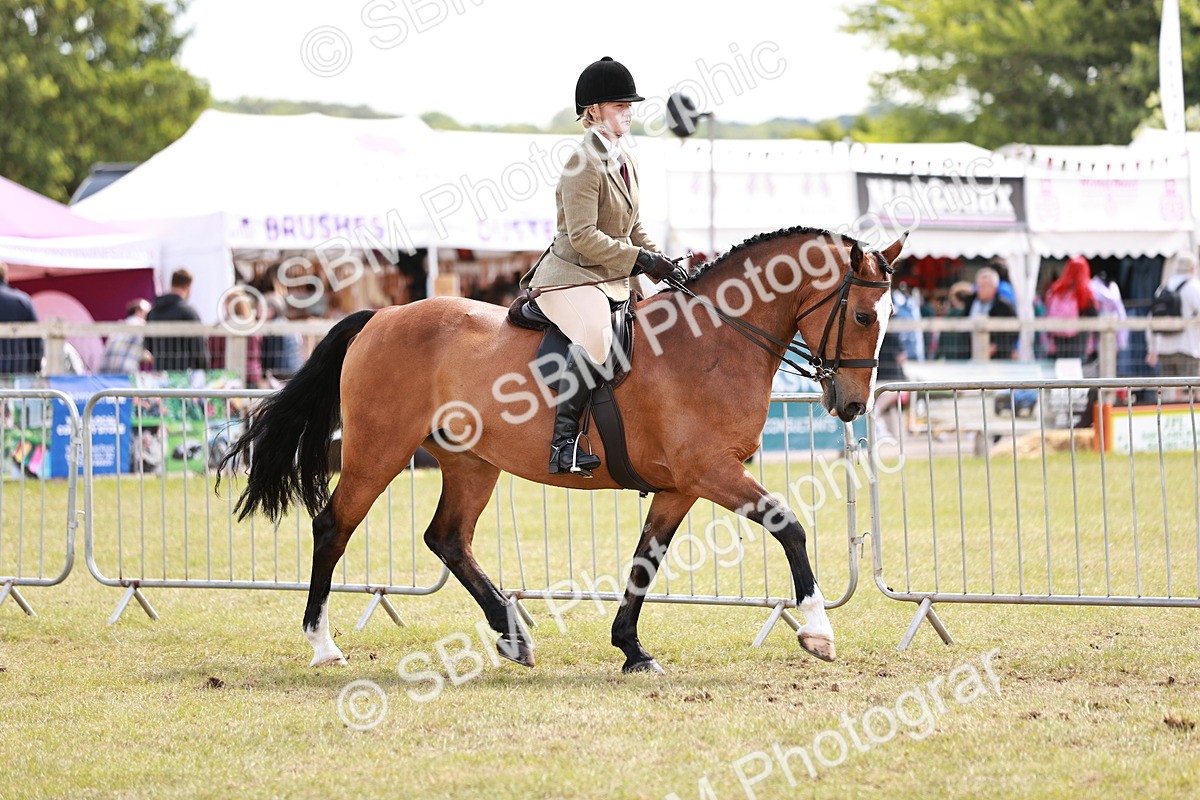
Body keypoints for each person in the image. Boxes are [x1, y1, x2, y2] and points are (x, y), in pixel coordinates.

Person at [518, 56, 680, 476]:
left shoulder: (626, 158)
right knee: (595, 336)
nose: (628, 112)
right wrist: (640, 260)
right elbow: (584, 235)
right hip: (572, 276)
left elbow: (633, 226)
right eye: (618, 105)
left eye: (630, 105)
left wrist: (663, 263)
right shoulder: (581, 162)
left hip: (612, 275)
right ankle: (564, 444)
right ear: (593, 112)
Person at [1146, 252, 1200, 400]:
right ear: (1192, 268)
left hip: (1164, 347)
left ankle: (1169, 420)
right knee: (1189, 390)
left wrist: (1152, 348)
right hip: (1188, 347)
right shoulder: (1194, 287)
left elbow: (1150, 320)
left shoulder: (1163, 287)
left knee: (1168, 391)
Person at [145, 268, 210, 371]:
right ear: (189, 286)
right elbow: (198, 348)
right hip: (184, 376)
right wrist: (204, 370)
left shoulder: (153, 312)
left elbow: (148, 345)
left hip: (159, 373)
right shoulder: (189, 312)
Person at [1042, 256, 1098, 362]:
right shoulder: (1086, 293)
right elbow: (1094, 316)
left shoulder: (1056, 290)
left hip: (1059, 342)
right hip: (1079, 343)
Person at [0, 259, 44, 375]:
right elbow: (36, 338)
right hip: (18, 371)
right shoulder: (22, 300)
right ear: (5, 276)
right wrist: (35, 368)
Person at [965, 268, 1018, 360]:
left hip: (998, 358)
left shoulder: (1005, 306)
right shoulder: (969, 301)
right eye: (980, 285)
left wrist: (996, 346)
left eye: (986, 285)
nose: (982, 289)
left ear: (995, 287)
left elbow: (1013, 332)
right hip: (970, 353)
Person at [98, 298, 152, 374]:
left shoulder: (120, 325)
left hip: (104, 372)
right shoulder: (141, 325)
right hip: (125, 374)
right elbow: (148, 355)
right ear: (138, 312)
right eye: (148, 313)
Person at [937, 280, 974, 360]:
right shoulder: (974, 313)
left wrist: (937, 356)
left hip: (951, 360)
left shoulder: (948, 316)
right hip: (969, 360)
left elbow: (941, 343)